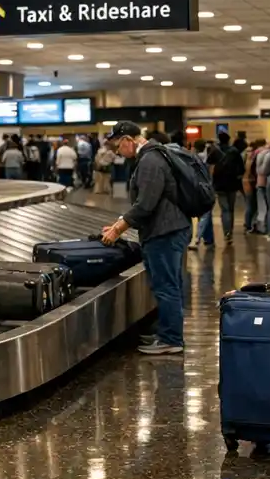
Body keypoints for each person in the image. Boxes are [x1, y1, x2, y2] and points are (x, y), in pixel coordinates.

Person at [100, 123, 190, 356]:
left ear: (129, 139)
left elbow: (146, 204)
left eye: (119, 146)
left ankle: (171, 338)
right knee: (168, 284)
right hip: (167, 229)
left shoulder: (150, 160)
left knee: (167, 286)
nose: (119, 152)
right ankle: (167, 332)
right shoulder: (153, 156)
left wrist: (118, 229)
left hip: (165, 232)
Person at [212, 139, 244, 241]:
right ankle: (230, 230)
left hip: (219, 185)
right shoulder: (235, 152)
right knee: (231, 209)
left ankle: (226, 232)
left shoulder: (215, 151)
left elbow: (209, 167)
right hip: (232, 184)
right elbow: (241, 169)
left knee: (224, 210)